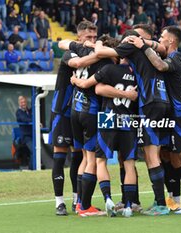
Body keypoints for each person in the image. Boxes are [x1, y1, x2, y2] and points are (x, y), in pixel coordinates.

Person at [128, 26, 181, 214]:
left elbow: (161, 66)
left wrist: (142, 45)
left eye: (162, 37)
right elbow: (157, 48)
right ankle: (176, 198)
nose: (159, 40)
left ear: (170, 41)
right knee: (168, 156)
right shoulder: (165, 53)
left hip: (180, 115)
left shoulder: (176, 57)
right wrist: (146, 42)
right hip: (168, 115)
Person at [95, 24, 171, 216]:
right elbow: (162, 48)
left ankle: (159, 204)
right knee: (138, 159)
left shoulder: (124, 52)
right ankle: (135, 203)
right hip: (152, 106)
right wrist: (147, 42)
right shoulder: (151, 54)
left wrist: (95, 43)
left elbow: (100, 59)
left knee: (146, 156)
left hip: (137, 108)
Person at [70, 32, 139, 217]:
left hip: (107, 117)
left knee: (100, 161)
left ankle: (107, 198)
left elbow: (95, 87)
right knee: (129, 163)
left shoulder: (109, 70)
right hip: (129, 119)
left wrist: (75, 80)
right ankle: (128, 206)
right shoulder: (138, 74)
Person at [50, 21, 100, 216]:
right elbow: (76, 63)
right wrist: (99, 52)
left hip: (80, 112)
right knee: (59, 157)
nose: (92, 41)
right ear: (79, 38)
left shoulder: (92, 54)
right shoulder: (70, 53)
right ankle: (58, 202)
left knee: (79, 157)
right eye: (89, 37)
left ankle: (76, 199)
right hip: (62, 111)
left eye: (95, 38)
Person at [15, 96, 32, 169]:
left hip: (33, 134)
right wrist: (34, 121)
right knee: (34, 150)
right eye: (22, 102)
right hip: (26, 136)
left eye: (24, 102)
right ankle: (33, 168)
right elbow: (24, 119)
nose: (23, 104)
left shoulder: (30, 110)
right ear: (19, 103)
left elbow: (36, 116)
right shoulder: (19, 112)